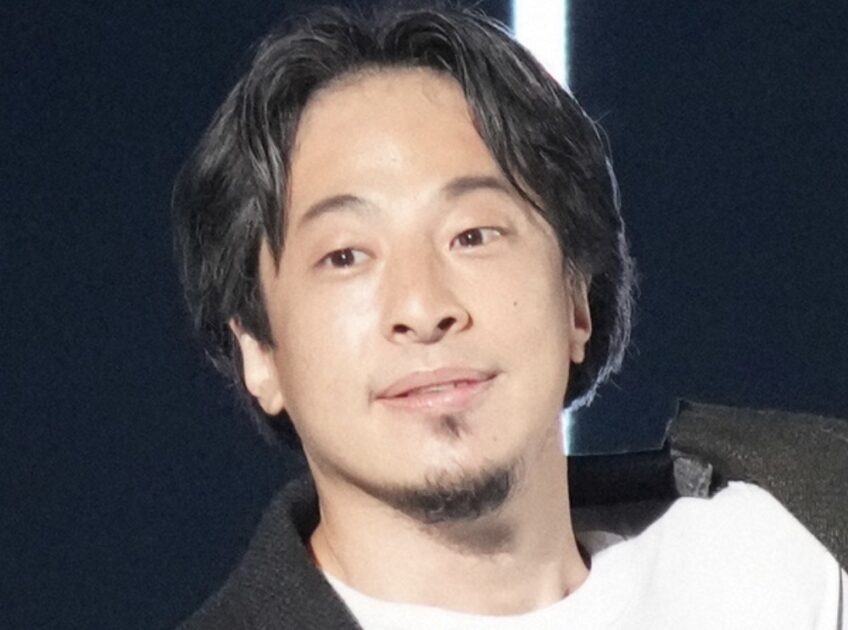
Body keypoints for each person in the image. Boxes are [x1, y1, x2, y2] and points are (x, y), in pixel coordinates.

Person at [172, 3, 846, 628]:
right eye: (345, 256)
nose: (423, 308)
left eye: (473, 235)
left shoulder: (799, 562)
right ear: (258, 351)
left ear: (577, 298)